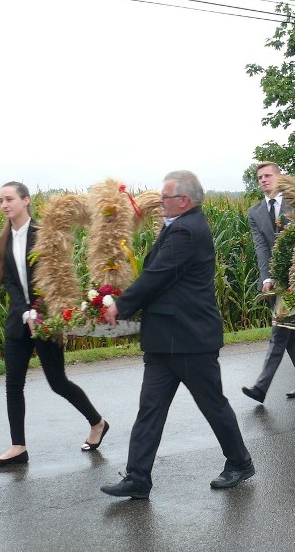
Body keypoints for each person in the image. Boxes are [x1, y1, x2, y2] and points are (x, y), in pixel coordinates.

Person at [100, 170, 254, 499]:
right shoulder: (179, 225)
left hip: (189, 339)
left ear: (184, 200)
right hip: (165, 339)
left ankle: (240, 462)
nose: (160, 201)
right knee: (150, 409)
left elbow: (157, 276)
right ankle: (138, 477)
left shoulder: (186, 230)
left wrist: (121, 305)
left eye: (165, 197)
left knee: (212, 404)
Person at [0, 182, 109, 467]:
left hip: (48, 318)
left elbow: (57, 276)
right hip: (20, 322)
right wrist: (25, 312)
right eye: (1, 201)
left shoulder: (44, 234)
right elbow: (8, 282)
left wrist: (40, 312)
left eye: (9, 199)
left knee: (58, 382)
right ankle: (18, 447)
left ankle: (98, 422)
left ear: (25, 200)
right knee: (13, 384)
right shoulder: (2, 241)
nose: (4, 205)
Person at [241, 162, 295, 404]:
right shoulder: (255, 213)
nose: (263, 180)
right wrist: (267, 277)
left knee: (281, 327)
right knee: (288, 331)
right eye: (260, 177)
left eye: (268, 175)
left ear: (280, 176)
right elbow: (262, 248)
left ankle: (261, 387)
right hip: (274, 280)